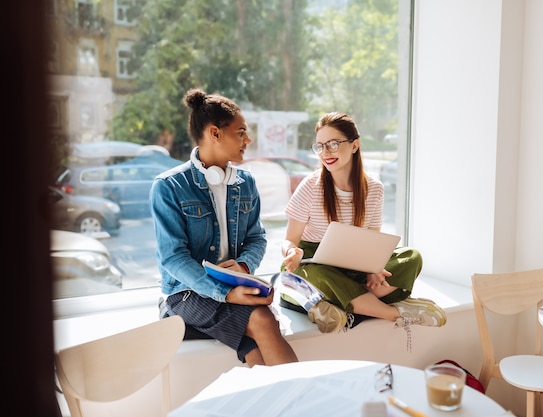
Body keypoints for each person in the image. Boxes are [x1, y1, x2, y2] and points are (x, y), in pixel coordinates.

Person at [150, 88, 298, 366]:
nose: (248, 139)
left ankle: (280, 405)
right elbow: (172, 257)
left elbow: (257, 238)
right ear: (215, 133)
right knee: (263, 319)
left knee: (254, 347)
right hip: (186, 293)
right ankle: (305, 403)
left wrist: (243, 268)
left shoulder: (246, 182)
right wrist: (225, 293)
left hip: (229, 285)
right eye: (240, 132)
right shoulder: (169, 186)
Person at [280, 111, 446, 344]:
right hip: (313, 262)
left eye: (333, 144)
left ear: (355, 145)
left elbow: (373, 242)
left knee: (411, 257)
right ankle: (393, 313)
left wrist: (374, 267)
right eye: (320, 146)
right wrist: (291, 252)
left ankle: (340, 304)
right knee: (306, 276)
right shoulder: (310, 186)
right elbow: (290, 239)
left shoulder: (374, 189)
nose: (325, 153)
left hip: (353, 266)